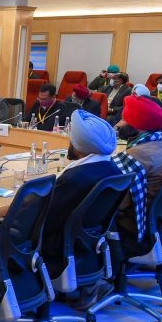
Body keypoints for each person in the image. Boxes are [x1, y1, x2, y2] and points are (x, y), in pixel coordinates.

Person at [40, 110, 121, 309]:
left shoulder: (76, 178)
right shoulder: (113, 168)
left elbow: (44, 220)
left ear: (79, 144)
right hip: (88, 246)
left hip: (58, 247)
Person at [112, 95, 162, 253]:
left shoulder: (137, 156)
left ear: (137, 125)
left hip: (131, 230)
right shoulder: (161, 145)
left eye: (124, 119)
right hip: (156, 226)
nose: (118, 124)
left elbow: (117, 202)